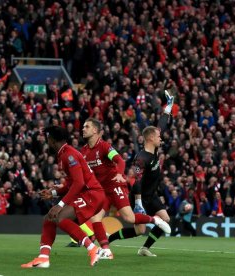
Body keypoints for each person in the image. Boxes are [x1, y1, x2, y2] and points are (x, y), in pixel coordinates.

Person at [80, 118, 171, 259]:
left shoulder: (104, 147)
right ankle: (106, 250)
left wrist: (119, 173)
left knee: (130, 218)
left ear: (95, 130)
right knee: (96, 219)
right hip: (105, 191)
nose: (83, 129)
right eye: (83, 126)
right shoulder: (84, 152)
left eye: (86, 126)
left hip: (117, 186)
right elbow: (82, 172)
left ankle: (152, 227)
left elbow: (119, 161)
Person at [21, 126, 104, 268]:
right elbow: (72, 184)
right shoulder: (63, 154)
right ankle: (43, 258)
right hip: (86, 194)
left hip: (92, 194)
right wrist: (52, 193)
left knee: (60, 217)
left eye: (47, 137)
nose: (46, 140)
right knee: (49, 218)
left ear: (52, 139)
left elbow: (79, 183)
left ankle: (93, 249)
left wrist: (59, 205)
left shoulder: (69, 155)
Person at [108, 88, 175, 257]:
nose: (161, 138)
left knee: (166, 220)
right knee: (139, 231)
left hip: (151, 196)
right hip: (139, 197)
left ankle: (145, 248)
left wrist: (169, 106)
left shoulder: (154, 148)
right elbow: (136, 180)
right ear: (151, 138)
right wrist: (138, 203)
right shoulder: (141, 158)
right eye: (158, 137)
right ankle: (108, 240)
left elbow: (162, 123)